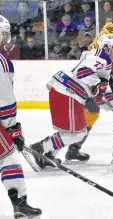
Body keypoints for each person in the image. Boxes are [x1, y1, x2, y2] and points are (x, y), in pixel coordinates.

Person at [29, 34, 113, 169]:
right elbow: (82, 72)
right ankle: (39, 147)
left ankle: (48, 155)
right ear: (107, 48)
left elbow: (102, 92)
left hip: (64, 90)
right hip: (68, 92)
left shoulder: (102, 59)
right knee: (76, 134)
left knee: (70, 132)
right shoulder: (102, 57)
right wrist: (96, 86)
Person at [65, 6, 113, 164]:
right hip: (97, 75)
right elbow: (111, 62)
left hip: (95, 73)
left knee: (92, 113)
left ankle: (73, 149)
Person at [0, 15, 42, 218]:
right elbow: (5, 101)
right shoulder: (2, 64)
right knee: (8, 157)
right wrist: (13, 131)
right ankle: (20, 203)